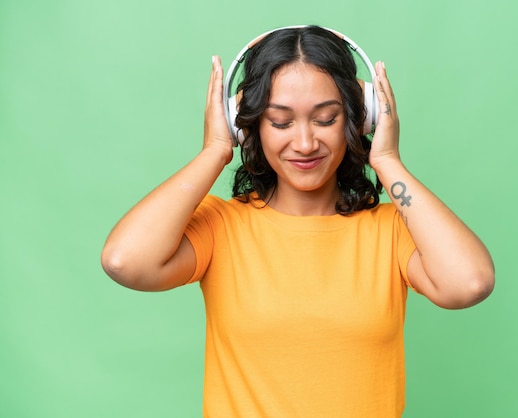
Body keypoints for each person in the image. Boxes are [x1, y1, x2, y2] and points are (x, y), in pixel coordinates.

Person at [101, 25, 495, 417]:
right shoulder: (221, 227)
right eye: (280, 121)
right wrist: (216, 149)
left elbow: (469, 283)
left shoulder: (392, 231)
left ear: (361, 118)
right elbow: (125, 261)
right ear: (246, 122)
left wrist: (388, 161)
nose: (305, 144)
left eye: (325, 119)